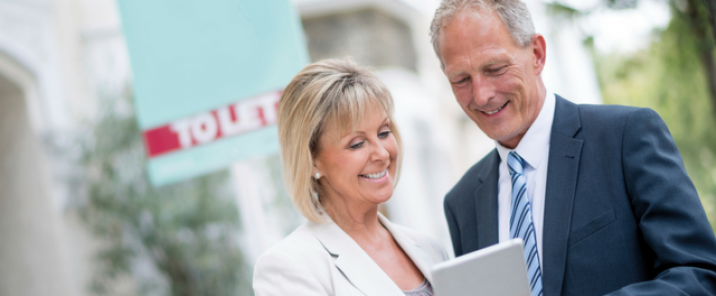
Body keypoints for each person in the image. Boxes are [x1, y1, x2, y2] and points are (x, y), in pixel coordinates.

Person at [430, 0, 716, 295]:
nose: (481, 95)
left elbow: (701, 273)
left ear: (537, 54)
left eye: (495, 68)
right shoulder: (461, 204)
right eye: (461, 79)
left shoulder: (626, 137)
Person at [252, 58, 448, 296]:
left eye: (384, 132)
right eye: (357, 144)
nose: (382, 153)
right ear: (312, 160)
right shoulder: (289, 267)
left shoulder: (429, 248)